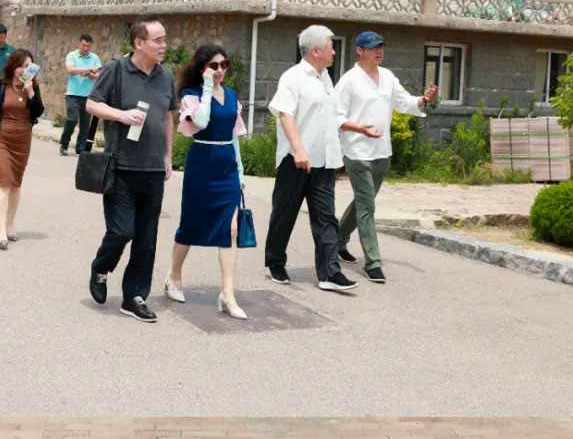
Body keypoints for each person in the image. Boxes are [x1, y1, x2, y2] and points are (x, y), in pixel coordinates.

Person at [86, 16, 177, 323]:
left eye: (165, 39)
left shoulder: (165, 76)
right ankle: (101, 267)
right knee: (122, 230)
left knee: (146, 238)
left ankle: (134, 296)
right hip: (121, 166)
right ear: (139, 43)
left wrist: (168, 156)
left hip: (153, 169)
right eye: (158, 40)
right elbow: (92, 104)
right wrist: (121, 115)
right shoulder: (117, 70)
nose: (164, 45)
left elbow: (168, 117)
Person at [335, 31, 437, 283]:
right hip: (357, 151)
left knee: (363, 202)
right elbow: (335, 116)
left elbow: (404, 102)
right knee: (367, 206)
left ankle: (337, 239)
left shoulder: (388, 77)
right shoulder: (349, 81)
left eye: (381, 47)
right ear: (360, 50)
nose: (379, 51)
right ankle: (373, 262)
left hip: (382, 152)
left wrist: (423, 100)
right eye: (373, 47)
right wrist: (361, 129)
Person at [264, 25, 356, 292]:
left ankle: (329, 273)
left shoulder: (326, 78)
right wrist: (298, 149)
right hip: (296, 161)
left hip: (324, 162)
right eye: (330, 46)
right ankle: (275, 262)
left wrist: (358, 129)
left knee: (326, 218)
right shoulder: (293, 77)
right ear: (315, 50)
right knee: (285, 214)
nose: (334, 51)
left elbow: (331, 117)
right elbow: (285, 113)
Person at [167, 45, 249, 320]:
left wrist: (240, 174)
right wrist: (205, 86)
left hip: (227, 167)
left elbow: (234, 138)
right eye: (214, 66)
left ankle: (228, 294)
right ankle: (174, 276)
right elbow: (201, 122)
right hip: (202, 165)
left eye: (224, 65)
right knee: (190, 225)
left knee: (231, 230)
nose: (220, 70)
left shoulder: (232, 96)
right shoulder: (191, 95)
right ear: (202, 68)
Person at [0, 49, 43, 249]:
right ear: (14, 67)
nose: (26, 70)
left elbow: (38, 111)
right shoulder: (0, 86)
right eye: (23, 66)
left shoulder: (32, 86)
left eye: (30, 66)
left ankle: (10, 223)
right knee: (4, 182)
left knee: (15, 183)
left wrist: (31, 92)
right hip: (1, 139)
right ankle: (2, 231)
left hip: (22, 140)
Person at [59, 34, 101, 156]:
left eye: (88, 46)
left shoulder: (95, 58)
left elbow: (99, 75)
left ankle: (80, 148)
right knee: (72, 120)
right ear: (79, 44)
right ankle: (64, 144)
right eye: (84, 45)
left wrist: (91, 75)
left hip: (88, 96)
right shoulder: (72, 55)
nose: (86, 48)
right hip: (73, 94)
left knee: (85, 124)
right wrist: (85, 70)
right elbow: (70, 70)